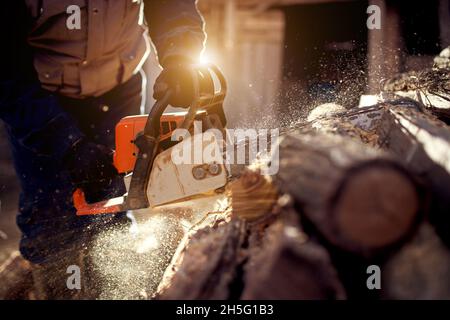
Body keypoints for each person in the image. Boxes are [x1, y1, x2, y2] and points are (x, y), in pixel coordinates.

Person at [0, 0, 206, 299]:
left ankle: (115, 291)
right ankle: (61, 292)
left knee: (113, 205)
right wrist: (67, 145)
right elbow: (6, 73)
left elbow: (171, 5)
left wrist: (181, 57)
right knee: (52, 218)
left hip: (118, 90)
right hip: (42, 99)